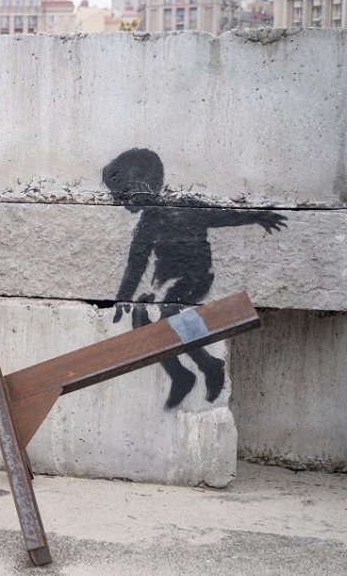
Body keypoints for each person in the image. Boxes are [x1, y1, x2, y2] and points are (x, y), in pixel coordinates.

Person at [104, 148, 287, 408]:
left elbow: (225, 217)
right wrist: (123, 298)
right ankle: (182, 375)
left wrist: (257, 215)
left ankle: (209, 366)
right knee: (141, 316)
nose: (121, 204)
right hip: (167, 282)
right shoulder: (148, 221)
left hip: (196, 278)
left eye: (123, 197)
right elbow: (136, 263)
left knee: (169, 314)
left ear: (140, 187)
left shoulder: (187, 205)